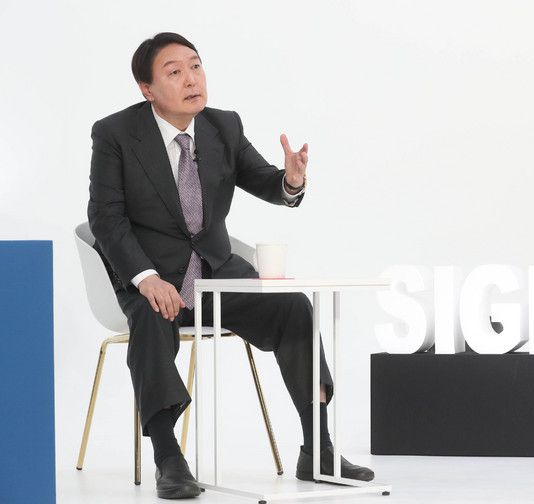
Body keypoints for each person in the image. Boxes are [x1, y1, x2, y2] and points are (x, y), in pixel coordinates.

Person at [87, 32, 374, 499]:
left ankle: (318, 449)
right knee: (152, 319)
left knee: (294, 308)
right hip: (153, 279)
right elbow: (105, 217)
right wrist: (145, 277)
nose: (191, 79)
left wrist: (290, 181)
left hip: (218, 274)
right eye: (174, 72)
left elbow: (265, 181)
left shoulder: (223, 125)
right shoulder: (116, 133)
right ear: (147, 88)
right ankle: (169, 458)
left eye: (195, 66)